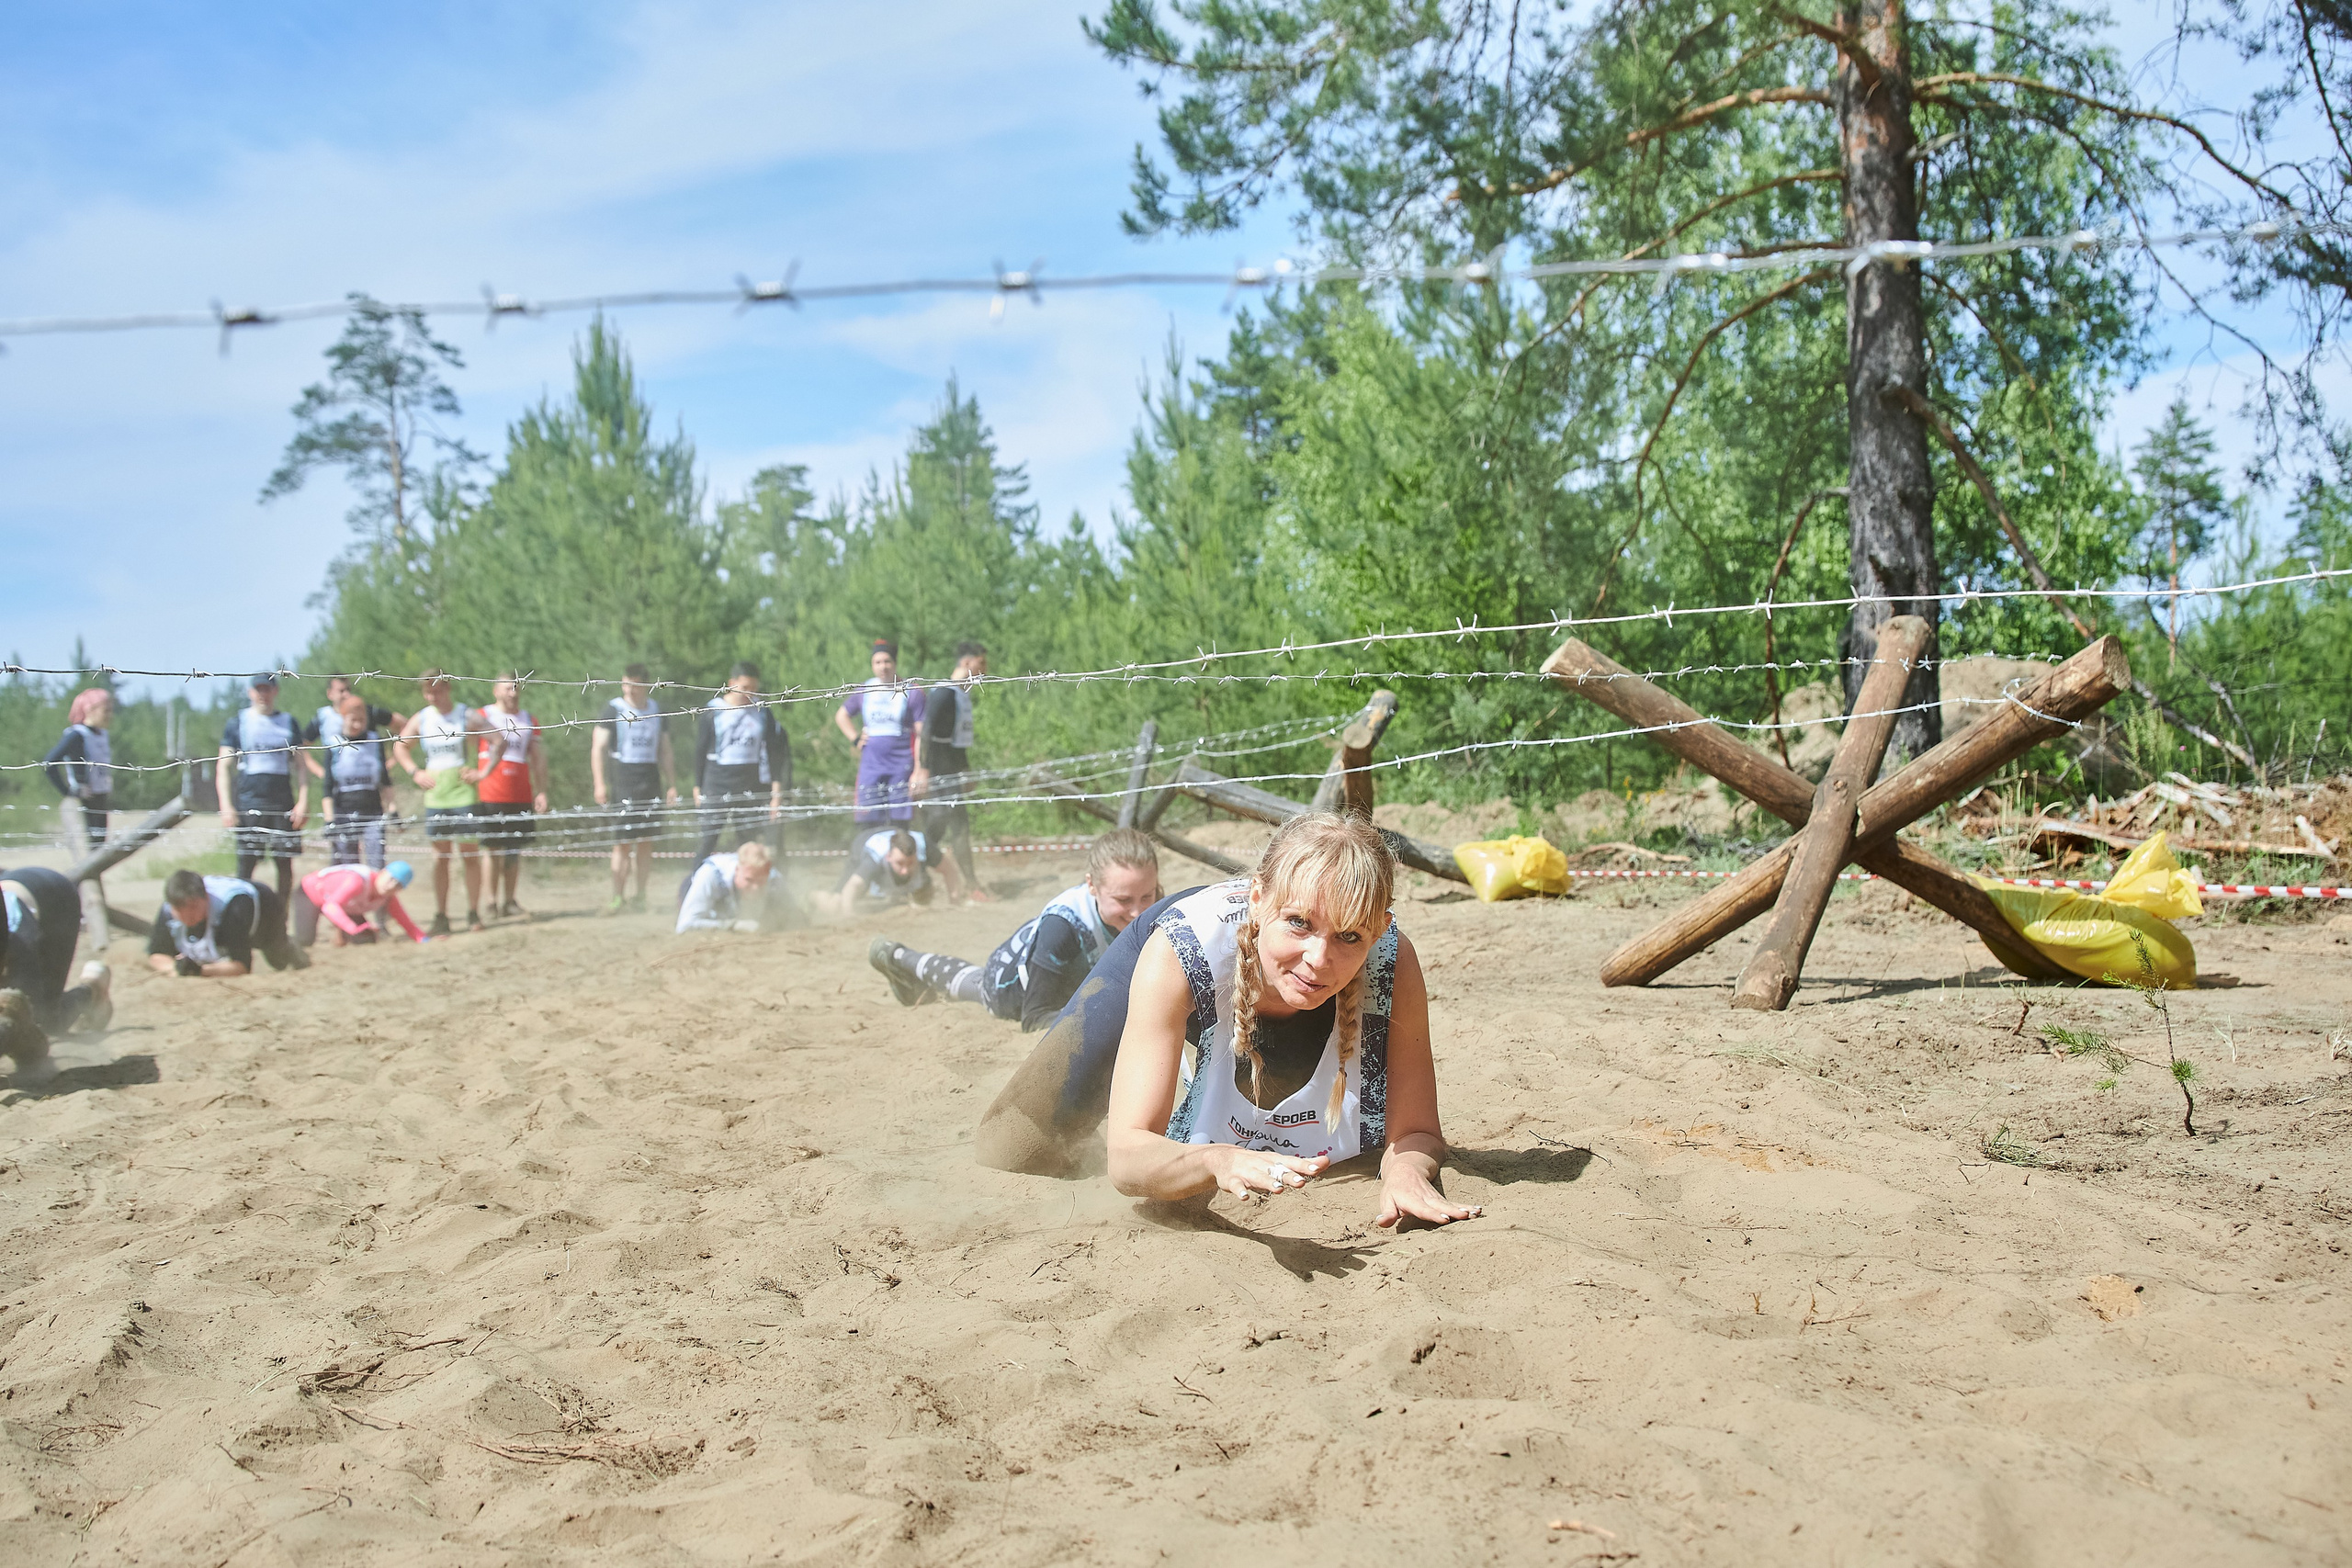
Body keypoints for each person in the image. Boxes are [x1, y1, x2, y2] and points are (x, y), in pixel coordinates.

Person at [970, 814, 1480, 1230]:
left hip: (1270, 990)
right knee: (1015, 1147)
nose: (1318, 960)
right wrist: (1217, 1159)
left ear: (1380, 930)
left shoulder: (1393, 959)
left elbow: (1417, 1131)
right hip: (1194, 956)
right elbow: (1125, 1160)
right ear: (1258, 900)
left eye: (1350, 936)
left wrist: (1407, 1171)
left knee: (1277, 1117)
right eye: (1299, 923)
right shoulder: (1177, 950)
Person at [870, 829, 1160, 1029]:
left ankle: (900, 959)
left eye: (1147, 896)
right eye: (1123, 900)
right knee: (975, 985)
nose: (1138, 912)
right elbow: (1034, 1018)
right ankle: (897, 955)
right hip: (1008, 989)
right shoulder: (1062, 928)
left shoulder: (1154, 901)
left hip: (1056, 970)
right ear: (1092, 885)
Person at [392, 670, 489, 935]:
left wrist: (482, 771)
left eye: (436, 690)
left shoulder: (465, 714)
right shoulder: (422, 718)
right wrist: (415, 772)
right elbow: (400, 746)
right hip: (435, 795)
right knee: (441, 857)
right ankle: (441, 915)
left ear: (447, 688)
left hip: (463, 792)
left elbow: (497, 738)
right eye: (427, 692)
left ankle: (473, 912)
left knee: (469, 854)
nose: (432, 696)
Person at [217, 673, 320, 899]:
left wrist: (303, 801)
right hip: (249, 800)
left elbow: (301, 766)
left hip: (282, 800)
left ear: (275, 691)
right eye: (259, 689)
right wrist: (226, 805)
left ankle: (281, 916)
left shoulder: (288, 722)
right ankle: (243, 911)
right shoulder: (238, 722)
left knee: (284, 863)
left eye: (267, 689)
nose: (263, 694)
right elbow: (223, 766)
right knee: (246, 863)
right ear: (250, 692)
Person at [593, 663, 678, 915]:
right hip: (622, 778)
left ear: (646, 685)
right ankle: (617, 898)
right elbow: (598, 748)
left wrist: (672, 784)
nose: (629, 689)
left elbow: (665, 750)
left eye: (635, 684)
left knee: (646, 841)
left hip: (650, 778)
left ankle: (641, 896)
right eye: (626, 683)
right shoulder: (613, 709)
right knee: (622, 842)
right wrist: (599, 783)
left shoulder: (656, 711)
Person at [1, 866, 113, 1036]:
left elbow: (28, 1016)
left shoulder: (19, 944)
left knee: (45, 1022)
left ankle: (93, 988)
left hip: (55, 898)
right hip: (19, 890)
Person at [694, 662, 789, 860]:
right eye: (745, 687)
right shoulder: (713, 710)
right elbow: (700, 750)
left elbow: (774, 753)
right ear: (732, 684)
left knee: (748, 842)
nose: (749, 693)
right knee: (708, 839)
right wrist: (697, 786)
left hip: (749, 782)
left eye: (754, 688)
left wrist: (776, 791)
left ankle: (748, 878)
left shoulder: (762, 712)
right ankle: (696, 876)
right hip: (717, 781)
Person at [834, 639, 926, 844]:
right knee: (868, 819)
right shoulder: (865, 690)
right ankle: (870, 857)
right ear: (872, 665)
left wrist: (919, 768)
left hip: (901, 765)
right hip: (871, 765)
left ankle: (900, 858)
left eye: (887, 661)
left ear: (895, 663)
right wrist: (855, 738)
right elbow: (841, 715)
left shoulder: (911, 691)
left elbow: (922, 734)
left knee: (899, 821)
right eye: (877, 662)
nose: (883, 666)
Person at [474, 674, 548, 919]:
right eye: (507, 688)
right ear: (495, 691)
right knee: (491, 848)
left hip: (520, 792)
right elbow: (467, 745)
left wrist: (541, 790)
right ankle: (491, 901)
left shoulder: (529, 719)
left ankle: (510, 900)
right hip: (490, 792)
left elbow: (538, 757)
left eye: (516, 688)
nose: (513, 693)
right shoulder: (482, 715)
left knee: (514, 849)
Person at [918, 641, 987, 903]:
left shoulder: (962, 695)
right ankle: (915, 878)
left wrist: (965, 771)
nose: (984, 670)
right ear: (967, 663)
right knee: (936, 826)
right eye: (981, 664)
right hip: (936, 770)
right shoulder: (944, 694)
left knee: (959, 825)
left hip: (951, 771)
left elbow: (958, 742)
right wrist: (923, 769)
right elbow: (927, 733)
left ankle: (971, 884)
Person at [146, 868, 306, 977]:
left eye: (193, 907)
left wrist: (200, 971)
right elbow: (156, 954)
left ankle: (293, 947)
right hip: (224, 916)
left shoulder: (234, 909)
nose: (188, 915)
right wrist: (177, 968)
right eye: (180, 910)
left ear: (206, 898)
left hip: (265, 907)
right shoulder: (169, 909)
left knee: (278, 960)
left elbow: (242, 966)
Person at [322, 694, 397, 869]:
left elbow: (385, 780)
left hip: (373, 812)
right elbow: (327, 786)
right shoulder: (333, 744)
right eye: (353, 720)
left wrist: (393, 809)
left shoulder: (375, 741)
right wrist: (329, 820)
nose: (357, 725)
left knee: (376, 863)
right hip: (343, 812)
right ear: (343, 718)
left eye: (362, 720)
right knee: (347, 867)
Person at [43, 688, 115, 854]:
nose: (110, 715)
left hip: (100, 798)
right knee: (88, 850)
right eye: (106, 710)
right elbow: (49, 763)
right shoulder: (77, 735)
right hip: (84, 800)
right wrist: (69, 791)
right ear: (90, 710)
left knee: (99, 848)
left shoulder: (102, 734)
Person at [294, 860, 426, 948]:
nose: (391, 886)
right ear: (383, 872)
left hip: (341, 905)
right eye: (391, 879)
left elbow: (404, 920)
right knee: (304, 941)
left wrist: (424, 939)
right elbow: (330, 907)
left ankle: (341, 937)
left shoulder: (388, 897)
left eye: (398, 885)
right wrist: (352, 929)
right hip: (310, 894)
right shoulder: (357, 881)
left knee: (366, 938)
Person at [820, 827, 941, 916]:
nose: (905, 870)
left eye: (910, 863)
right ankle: (813, 896)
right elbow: (853, 886)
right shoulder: (873, 860)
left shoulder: (925, 847)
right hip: (862, 844)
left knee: (922, 890)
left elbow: (948, 870)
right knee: (836, 904)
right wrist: (848, 914)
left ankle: (899, 894)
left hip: (893, 837)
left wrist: (951, 899)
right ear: (889, 856)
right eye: (900, 863)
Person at [675, 841, 785, 933]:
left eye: (760, 881)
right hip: (695, 890)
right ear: (737, 870)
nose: (755, 887)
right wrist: (733, 925)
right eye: (749, 880)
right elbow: (684, 925)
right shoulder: (710, 874)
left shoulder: (774, 877)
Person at [313, 676, 401, 760]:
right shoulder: (323, 716)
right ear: (330, 694)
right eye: (341, 691)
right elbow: (305, 743)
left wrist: (397, 755)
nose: (347, 694)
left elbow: (401, 724)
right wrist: (319, 769)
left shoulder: (366, 711)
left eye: (348, 689)